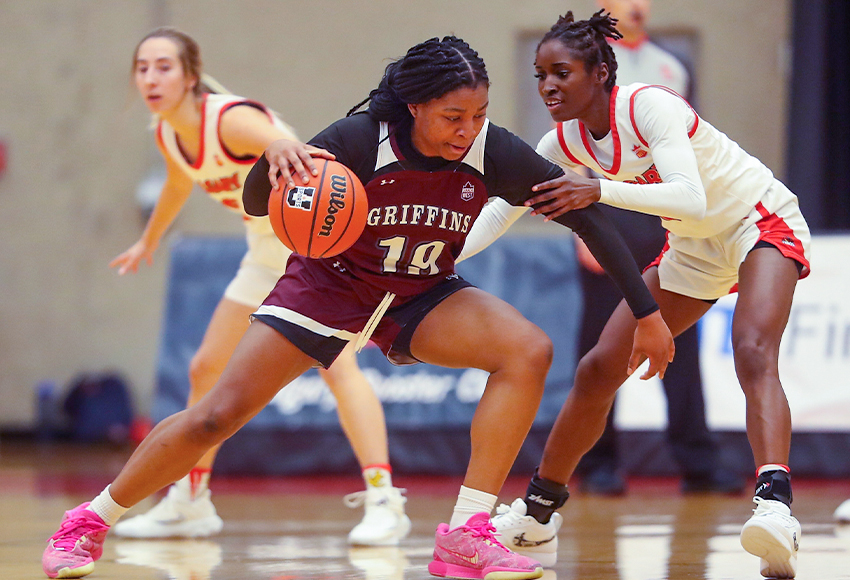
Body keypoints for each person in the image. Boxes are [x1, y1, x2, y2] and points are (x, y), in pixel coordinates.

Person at [41, 34, 675, 580]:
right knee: (215, 417)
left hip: (421, 292)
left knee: (527, 350)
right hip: (331, 286)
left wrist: (646, 314)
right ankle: (90, 520)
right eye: (454, 116)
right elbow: (263, 202)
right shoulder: (357, 138)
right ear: (416, 106)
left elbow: (587, 216)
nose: (468, 130)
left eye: (479, 114)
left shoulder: (491, 151)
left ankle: (465, 532)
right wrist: (271, 164)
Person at [465, 11, 810, 579]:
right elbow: (503, 207)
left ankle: (775, 506)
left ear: (600, 72)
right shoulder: (562, 140)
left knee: (751, 348)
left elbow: (691, 198)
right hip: (694, 248)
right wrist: (440, 257)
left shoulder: (650, 105)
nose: (548, 85)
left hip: (757, 220)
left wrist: (595, 189)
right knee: (599, 368)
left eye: (562, 72)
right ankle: (538, 514)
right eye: (540, 75)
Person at [103, 27, 410, 547]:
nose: (151, 77)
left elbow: (293, 146)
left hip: (315, 249)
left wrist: (285, 149)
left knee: (337, 370)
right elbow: (180, 181)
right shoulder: (167, 132)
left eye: (164, 66)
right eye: (143, 68)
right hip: (266, 252)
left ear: (191, 76)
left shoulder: (230, 119)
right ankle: (191, 502)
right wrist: (148, 240)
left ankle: (385, 501)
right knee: (205, 368)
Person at [573, 0, 742, 496]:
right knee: (602, 346)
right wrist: (583, 226)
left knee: (680, 342)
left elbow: (695, 147)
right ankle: (597, 462)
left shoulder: (673, 67)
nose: (640, 6)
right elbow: (572, 144)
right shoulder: (583, 63)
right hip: (605, 213)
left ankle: (698, 462)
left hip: (665, 216)